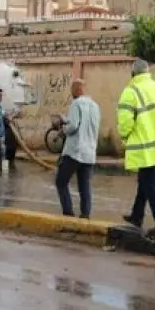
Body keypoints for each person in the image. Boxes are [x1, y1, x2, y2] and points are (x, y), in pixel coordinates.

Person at [117, 59, 155, 238]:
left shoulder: (131, 92)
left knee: (149, 183)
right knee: (145, 180)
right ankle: (137, 215)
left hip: (145, 146)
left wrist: (125, 138)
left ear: (133, 74)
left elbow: (125, 123)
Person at [55, 79, 101, 219]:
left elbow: (73, 126)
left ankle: (68, 213)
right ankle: (85, 214)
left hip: (75, 151)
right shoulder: (95, 106)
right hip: (90, 153)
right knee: (84, 186)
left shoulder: (76, 103)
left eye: (72, 89)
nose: (71, 93)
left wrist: (62, 130)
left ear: (77, 90)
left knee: (61, 182)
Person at [0, 88, 19, 174]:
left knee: (7, 148)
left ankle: (6, 167)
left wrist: (10, 118)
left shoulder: (0, 107)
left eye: (1, 96)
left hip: (2, 134)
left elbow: (4, 116)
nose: (0, 97)